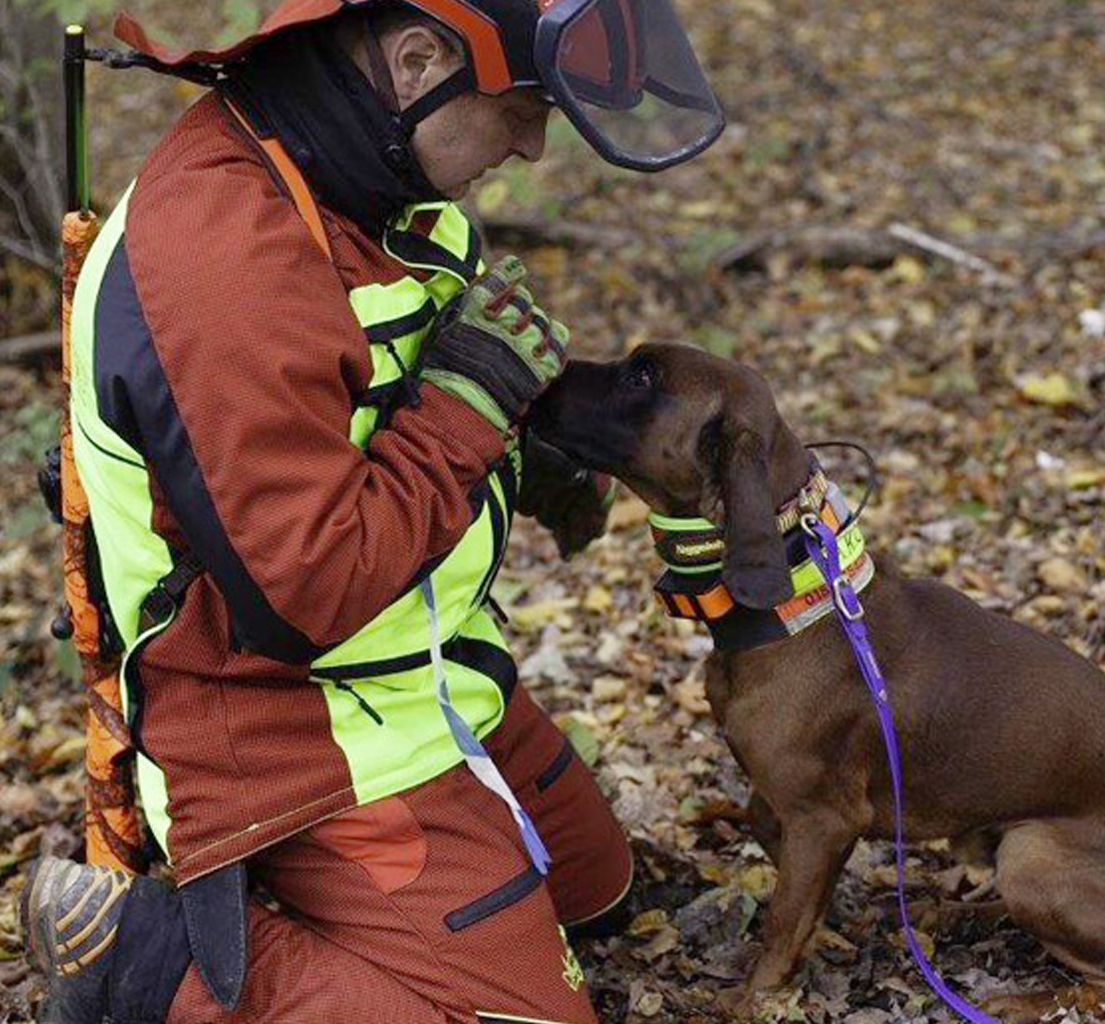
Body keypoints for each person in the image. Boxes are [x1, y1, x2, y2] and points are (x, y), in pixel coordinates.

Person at [21, 1, 723, 1021]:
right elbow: (305, 594)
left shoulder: (376, 184)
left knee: (601, 889)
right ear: (415, 59)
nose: (531, 142)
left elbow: (380, 411)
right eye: (521, 106)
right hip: (289, 727)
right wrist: (472, 402)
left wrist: (527, 447)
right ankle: (144, 955)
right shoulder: (227, 256)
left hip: (429, 669)